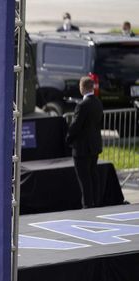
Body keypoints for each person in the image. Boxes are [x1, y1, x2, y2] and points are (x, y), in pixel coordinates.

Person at [66, 77, 103, 208]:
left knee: (84, 178)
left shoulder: (82, 105)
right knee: (93, 175)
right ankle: (96, 202)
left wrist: (68, 138)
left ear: (82, 88)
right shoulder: (98, 102)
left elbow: (76, 126)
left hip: (82, 148)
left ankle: (87, 204)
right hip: (94, 145)